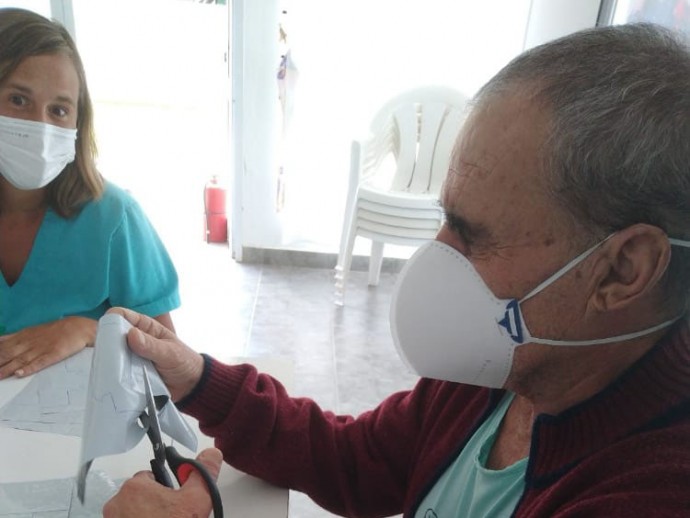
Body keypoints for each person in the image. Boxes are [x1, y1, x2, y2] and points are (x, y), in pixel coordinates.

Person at [104, 22, 690, 517]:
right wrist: (200, 380)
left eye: (472, 233)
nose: (438, 257)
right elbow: (358, 461)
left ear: (621, 271)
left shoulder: (654, 489)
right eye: (445, 219)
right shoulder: (502, 370)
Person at [0, 8, 180, 380]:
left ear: (79, 123)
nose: (41, 126)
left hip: (73, 429)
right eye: (18, 100)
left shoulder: (113, 219)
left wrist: (87, 331)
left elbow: (170, 359)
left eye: (59, 110)